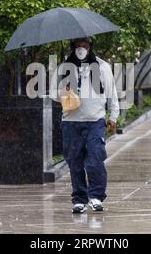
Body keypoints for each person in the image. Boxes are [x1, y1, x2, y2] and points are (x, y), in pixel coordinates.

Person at [51, 37, 119, 213]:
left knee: (95, 158)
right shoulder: (64, 67)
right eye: (78, 45)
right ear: (73, 47)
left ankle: (96, 196)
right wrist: (64, 93)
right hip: (71, 121)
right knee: (75, 161)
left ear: (90, 46)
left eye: (85, 45)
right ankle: (79, 199)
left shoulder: (102, 66)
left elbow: (112, 93)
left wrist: (113, 116)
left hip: (95, 120)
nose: (81, 48)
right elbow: (52, 93)